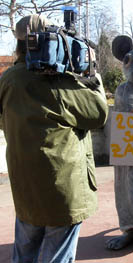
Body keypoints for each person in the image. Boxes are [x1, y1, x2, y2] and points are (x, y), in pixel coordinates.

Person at [0, 14, 109, 262]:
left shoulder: (8, 79)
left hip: (25, 187)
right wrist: (93, 75)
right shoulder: (60, 81)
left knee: (24, 252)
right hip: (62, 189)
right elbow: (99, 114)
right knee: (56, 256)